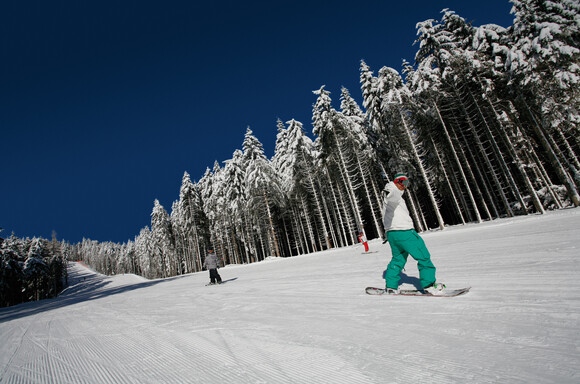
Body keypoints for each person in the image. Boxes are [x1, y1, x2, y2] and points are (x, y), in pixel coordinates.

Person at [381, 173, 445, 294]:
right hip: (404, 232)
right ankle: (429, 285)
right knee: (423, 256)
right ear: (396, 181)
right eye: (402, 182)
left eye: (406, 183)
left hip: (392, 233)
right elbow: (392, 194)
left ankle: (391, 286)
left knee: (398, 259)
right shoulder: (392, 191)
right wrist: (390, 190)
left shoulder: (391, 196)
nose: (404, 185)